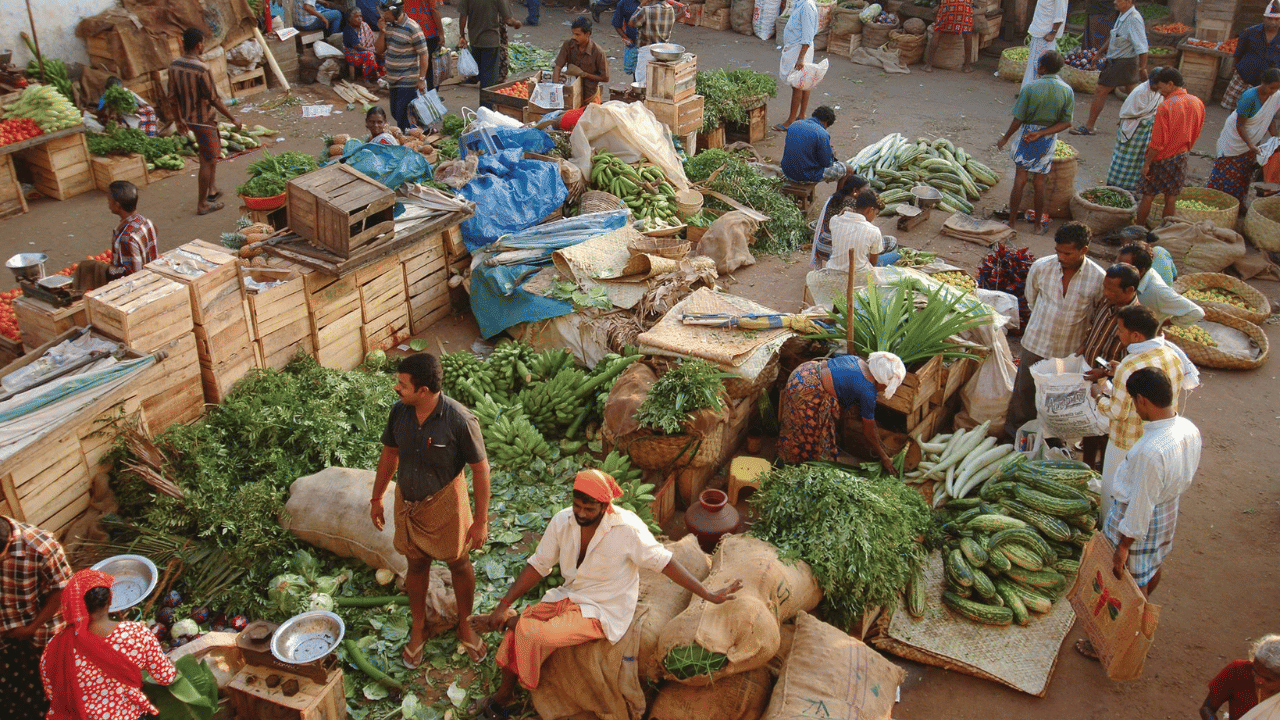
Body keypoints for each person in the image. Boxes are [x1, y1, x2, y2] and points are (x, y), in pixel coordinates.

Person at [468, 469, 742, 718]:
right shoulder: (563, 521)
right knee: (518, 634)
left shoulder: (627, 528)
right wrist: (503, 603)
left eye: (589, 509)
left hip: (604, 609)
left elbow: (665, 563)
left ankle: (511, 621)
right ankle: (504, 696)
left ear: (605, 505)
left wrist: (707, 593)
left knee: (535, 633)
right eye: (577, 506)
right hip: (570, 595)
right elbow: (538, 565)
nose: (581, 514)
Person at [370, 353, 491, 668]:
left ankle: (465, 623)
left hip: (446, 505)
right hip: (409, 504)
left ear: (423, 390)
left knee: (459, 563)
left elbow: (481, 471)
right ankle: (419, 626)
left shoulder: (460, 420)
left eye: (402, 384)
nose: (396, 388)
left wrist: (480, 521)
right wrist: (377, 497)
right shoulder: (400, 412)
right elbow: (390, 454)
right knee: (416, 565)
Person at [1076, 367, 1200, 661]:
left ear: (1142, 400)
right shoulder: (1188, 428)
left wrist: (1123, 546)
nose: (1135, 407)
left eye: (1133, 401)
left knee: (1127, 582)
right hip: (1167, 510)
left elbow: (1140, 504)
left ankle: (1120, 639)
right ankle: (1135, 619)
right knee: (1151, 565)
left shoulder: (1150, 451)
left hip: (1139, 518)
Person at [1003, 222, 1106, 441]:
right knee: (1024, 393)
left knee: (1057, 400)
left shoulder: (1098, 278)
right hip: (1036, 342)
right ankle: (1014, 436)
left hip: (1067, 351)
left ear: (1083, 250)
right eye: (1058, 251)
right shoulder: (1042, 267)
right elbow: (1031, 298)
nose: (1061, 257)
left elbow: (1097, 314)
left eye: (1067, 253)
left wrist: (1085, 343)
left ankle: (1049, 440)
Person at [1092, 305, 1197, 518]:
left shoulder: (1128, 366)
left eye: (1120, 330)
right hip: (1157, 436)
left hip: (1125, 442)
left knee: (1113, 492)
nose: (1118, 334)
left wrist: (1098, 396)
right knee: (1144, 493)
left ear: (1136, 336)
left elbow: (1117, 412)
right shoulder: (1171, 354)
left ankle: (1109, 529)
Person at [40, 569, 177, 720]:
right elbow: (166, 677)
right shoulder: (136, 634)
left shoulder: (54, 648)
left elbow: (53, 694)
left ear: (72, 605)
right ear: (110, 600)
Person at [777, 352, 905, 473]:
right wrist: (884, 457)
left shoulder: (858, 361)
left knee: (794, 424)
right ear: (882, 382)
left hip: (804, 371)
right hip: (807, 389)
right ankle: (788, 465)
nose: (885, 389)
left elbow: (843, 385)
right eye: (888, 386)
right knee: (806, 433)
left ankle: (786, 456)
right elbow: (868, 430)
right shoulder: (868, 391)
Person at [1, 515, 74, 720]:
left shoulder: (40, 546)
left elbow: (62, 590)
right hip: (6, 635)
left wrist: (32, 627)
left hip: (40, 629)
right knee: (15, 697)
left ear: (9, 543)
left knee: (58, 683)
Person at [996, 50, 1074, 233]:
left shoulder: (1030, 88)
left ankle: (1012, 222)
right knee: (1040, 183)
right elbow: (1066, 122)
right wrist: (1042, 133)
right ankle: (1038, 225)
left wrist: (1006, 137)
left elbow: (1018, 119)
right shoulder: (1067, 90)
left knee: (1020, 179)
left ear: (1043, 67)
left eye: (1039, 64)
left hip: (1027, 135)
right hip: (1047, 138)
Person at [169, 27, 242, 216]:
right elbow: (214, 99)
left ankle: (212, 190)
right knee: (207, 160)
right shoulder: (202, 69)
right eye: (202, 43)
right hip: (204, 120)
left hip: (188, 118)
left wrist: (178, 120)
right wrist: (233, 118)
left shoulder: (174, 65)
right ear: (198, 45)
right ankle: (202, 204)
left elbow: (172, 97)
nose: (203, 46)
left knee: (209, 153)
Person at [1078, 263, 1141, 469]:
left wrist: (1104, 372)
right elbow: (1095, 326)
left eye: (1112, 290)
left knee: (1106, 430)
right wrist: (1085, 344)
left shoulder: (1135, 319)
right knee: (1089, 425)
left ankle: (1104, 469)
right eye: (1105, 287)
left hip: (1112, 382)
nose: (1105, 293)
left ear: (1130, 290)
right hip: (1090, 372)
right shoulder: (1107, 302)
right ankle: (1087, 466)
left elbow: (1133, 359)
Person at [1134, 68, 1205, 227]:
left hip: (1161, 158)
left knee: (1148, 195)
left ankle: (1138, 228)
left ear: (1170, 84)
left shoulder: (1166, 106)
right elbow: (1197, 131)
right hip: (1182, 156)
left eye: (1160, 87)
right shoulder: (1197, 102)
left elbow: (1157, 143)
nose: (1159, 92)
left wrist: (1147, 163)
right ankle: (1165, 230)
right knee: (1171, 197)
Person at [1071, 0, 1148, 136]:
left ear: (1129, 1)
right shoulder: (1122, 14)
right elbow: (1113, 36)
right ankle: (1144, 124)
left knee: (1101, 90)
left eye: (1119, 0)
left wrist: (1143, 68)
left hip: (1123, 61)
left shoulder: (1134, 19)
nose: (1115, 2)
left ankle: (1089, 126)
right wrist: (1099, 53)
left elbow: (1142, 48)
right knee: (1132, 93)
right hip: (1120, 60)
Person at [71, 181, 159, 294]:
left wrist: (104, 269)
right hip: (152, 276)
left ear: (117, 205)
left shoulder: (126, 237)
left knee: (89, 267)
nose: (108, 203)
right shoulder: (146, 222)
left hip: (138, 288)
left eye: (109, 200)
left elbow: (132, 275)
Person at [1208, 68, 1280, 204]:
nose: (1273, 92)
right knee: (1227, 174)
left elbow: (1269, 117)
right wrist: (1250, 145)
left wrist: (1275, 137)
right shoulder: (1249, 97)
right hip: (1236, 138)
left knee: (1244, 175)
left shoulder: (1275, 96)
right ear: (1263, 82)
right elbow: (1240, 125)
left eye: (1276, 89)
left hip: (1252, 140)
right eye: (1271, 88)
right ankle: (1216, 202)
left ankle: (1238, 204)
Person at [1116, 240, 1204, 328]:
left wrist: (1161, 323)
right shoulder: (1130, 278)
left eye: (1124, 268)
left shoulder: (1158, 291)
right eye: (1117, 264)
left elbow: (1196, 312)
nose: (1117, 270)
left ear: (1141, 271)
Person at [377, 0, 430, 131]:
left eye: (386, 13)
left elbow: (424, 54)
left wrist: (421, 79)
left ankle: (409, 138)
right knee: (395, 112)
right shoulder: (388, 25)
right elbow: (379, 50)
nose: (383, 16)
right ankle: (421, 130)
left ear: (395, 11)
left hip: (408, 80)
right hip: (392, 79)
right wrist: (382, 32)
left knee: (402, 116)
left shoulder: (413, 28)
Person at [1105, 72, 1163, 191]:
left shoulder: (1158, 92)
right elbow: (1130, 112)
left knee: (1139, 159)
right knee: (1123, 158)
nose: (1157, 87)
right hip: (1134, 128)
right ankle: (1113, 184)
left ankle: (1130, 187)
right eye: (1155, 84)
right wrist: (1148, 119)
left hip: (1144, 131)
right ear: (1150, 81)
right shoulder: (1140, 91)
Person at [458, 0, 521, 107]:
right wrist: (517, 24)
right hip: (490, 42)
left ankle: (484, 106)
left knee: (482, 75)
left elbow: (463, 16)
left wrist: (462, 35)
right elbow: (508, 20)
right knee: (489, 79)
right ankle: (486, 109)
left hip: (475, 40)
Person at [1202, 635, 1280, 720]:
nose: (1258, 680)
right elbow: (1207, 708)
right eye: (1255, 672)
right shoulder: (1238, 671)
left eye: (1268, 679)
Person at [1222, 2, 1280, 110]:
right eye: (1269, 18)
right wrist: (1236, 71)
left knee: (1260, 113)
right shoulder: (1249, 32)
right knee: (1235, 111)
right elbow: (1238, 54)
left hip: (1268, 85)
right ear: (1264, 18)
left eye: (1277, 19)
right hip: (1243, 79)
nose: (1273, 22)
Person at [774, 0, 818, 132]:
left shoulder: (806, 6)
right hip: (798, 47)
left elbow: (807, 35)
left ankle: (791, 121)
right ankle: (801, 116)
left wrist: (801, 58)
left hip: (800, 49)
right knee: (804, 82)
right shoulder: (802, 3)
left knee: (797, 84)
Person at [780, 106, 851, 185]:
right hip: (805, 176)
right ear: (826, 122)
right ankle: (839, 194)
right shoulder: (822, 133)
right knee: (848, 169)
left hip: (787, 171)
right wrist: (831, 154)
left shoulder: (794, 124)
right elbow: (826, 163)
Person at [811, 174, 869, 268]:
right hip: (832, 249)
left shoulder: (835, 197)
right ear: (855, 191)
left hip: (822, 244)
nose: (867, 194)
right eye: (865, 191)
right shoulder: (853, 204)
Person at [826, 189, 885, 279]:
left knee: (834, 251)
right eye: (875, 214)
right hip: (858, 276)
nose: (874, 217)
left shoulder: (834, 220)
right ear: (870, 210)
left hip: (833, 271)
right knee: (895, 255)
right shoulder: (874, 231)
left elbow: (840, 219)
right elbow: (873, 262)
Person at [552, 18, 610, 106]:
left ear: (587, 34)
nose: (573, 37)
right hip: (571, 95)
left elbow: (605, 78)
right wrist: (555, 88)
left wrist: (584, 74)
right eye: (573, 33)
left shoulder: (598, 52)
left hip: (589, 96)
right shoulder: (568, 45)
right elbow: (558, 66)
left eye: (577, 34)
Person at [1020, 0, 1068, 90]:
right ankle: (1027, 90)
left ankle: (1035, 92)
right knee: (1033, 65)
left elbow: (1060, 15)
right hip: (1039, 32)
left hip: (1046, 35)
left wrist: (1053, 32)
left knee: (1041, 66)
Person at [923, 0, 976, 74]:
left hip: (948, 4)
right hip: (965, 5)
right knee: (967, 33)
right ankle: (967, 67)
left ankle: (928, 66)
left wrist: (939, 5)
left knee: (937, 32)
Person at [403, 0, 446, 91]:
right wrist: (441, 33)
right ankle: (431, 93)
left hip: (409, 31)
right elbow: (435, 10)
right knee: (431, 67)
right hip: (428, 31)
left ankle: (417, 93)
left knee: (413, 64)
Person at [630, 0, 676, 84]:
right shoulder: (670, 9)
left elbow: (631, 23)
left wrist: (641, 5)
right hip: (663, 50)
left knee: (642, 81)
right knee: (658, 81)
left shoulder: (646, 10)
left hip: (647, 50)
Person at [344, 7, 384, 83]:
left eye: (360, 16)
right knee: (369, 55)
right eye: (356, 17)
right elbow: (357, 47)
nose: (359, 18)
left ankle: (380, 77)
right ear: (349, 19)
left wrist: (377, 52)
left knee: (382, 55)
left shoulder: (364, 26)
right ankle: (366, 79)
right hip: (352, 54)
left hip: (365, 51)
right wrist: (374, 52)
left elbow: (371, 41)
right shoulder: (348, 30)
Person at [612, 0, 641, 80]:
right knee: (635, 73)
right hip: (634, 44)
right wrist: (626, 38)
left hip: (650, 45)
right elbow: (616, 24)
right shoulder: (625, 3)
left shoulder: (654, 3)